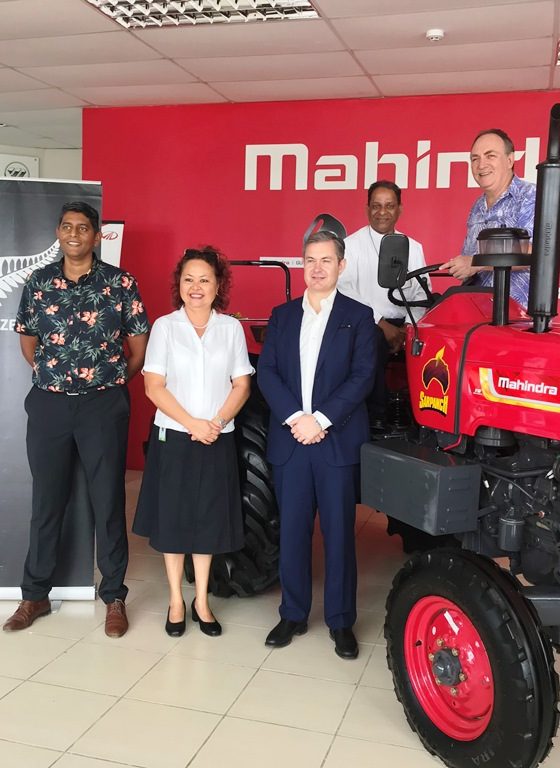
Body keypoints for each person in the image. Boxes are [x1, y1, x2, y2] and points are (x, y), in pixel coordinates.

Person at [3, 201, 149, 638]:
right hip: (50, 404)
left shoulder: (119, 283)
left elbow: (139, 345)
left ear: (96, 234)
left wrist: (112, 379)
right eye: (66, 227)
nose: (73, 234)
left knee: (107, 502)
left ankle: (115, 596)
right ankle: (35, 595)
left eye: (82, 228)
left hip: (103, 404)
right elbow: (28, 342)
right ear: (58, 232)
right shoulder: (39, 282)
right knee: (47, 501)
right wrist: (56, 373)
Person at [258, 231, 376, 659]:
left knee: (339, 534)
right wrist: (296, 419)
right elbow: (267, 372)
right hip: (292, 440)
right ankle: (292, 613)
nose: (318, 267)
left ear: (341, 266)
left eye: (327, 260)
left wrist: (321, 420)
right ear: (301, 264)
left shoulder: (359, 317)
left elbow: (362, 377)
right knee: (291, 531)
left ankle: (341, 621)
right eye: (310, 259)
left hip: (335, 441)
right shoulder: (282, 315)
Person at [132, 247, 253, 638]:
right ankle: (175, 600)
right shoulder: (166, 327)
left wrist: (215, 422)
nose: (196, 287)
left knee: (208, 521)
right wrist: (192, 424)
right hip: (175, 437)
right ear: (178, 286)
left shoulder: (230, 329)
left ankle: (201, 600)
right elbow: (154, 385)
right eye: (188, 280)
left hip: (218, 437)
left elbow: (242, 384)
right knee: (174, 520)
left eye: (204, 279)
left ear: (218, 285)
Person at [339, 180, 429, 429]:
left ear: (399, 209)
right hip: (367, 322)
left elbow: (423, 294)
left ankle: (421, 418)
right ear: (367, 209)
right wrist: (382, 323)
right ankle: (377, 417)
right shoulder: (350, 245)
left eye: (389, 206)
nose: (382, 212)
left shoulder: (414, 247)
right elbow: (345, 290)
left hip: (405, 324)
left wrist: (409, 329)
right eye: (376, 206)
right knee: (373, 341)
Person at [441, 129, 536, 308]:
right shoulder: (477, 207)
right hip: (479, 316)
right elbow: (470, 261)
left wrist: (476, 263)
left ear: (510, 160)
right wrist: (460, 267)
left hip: (519, 318)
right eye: (474, 159)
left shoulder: (531, 196)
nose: (481, 165)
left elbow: (536, 253)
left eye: (490, 156)